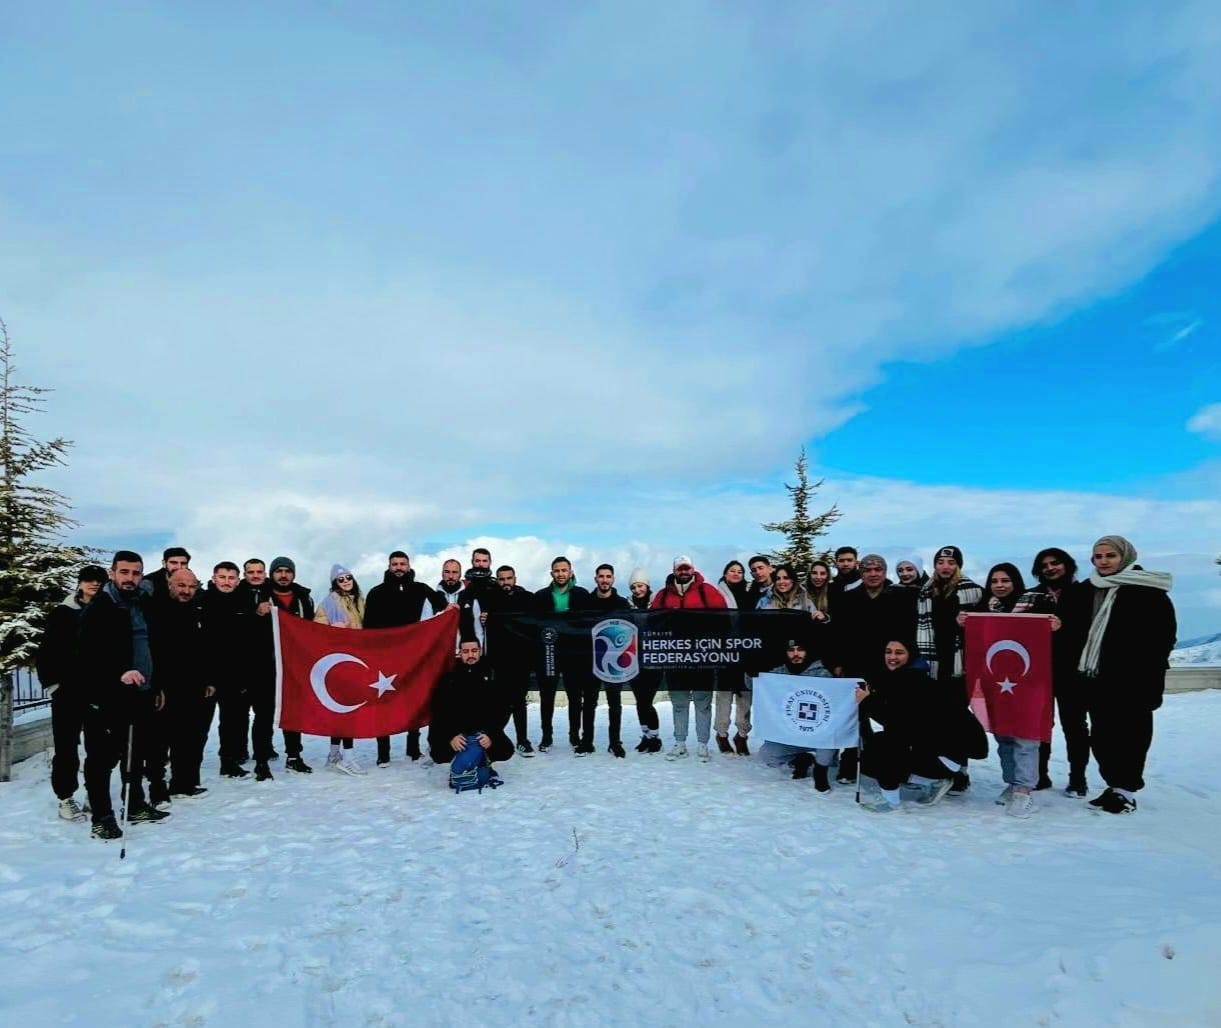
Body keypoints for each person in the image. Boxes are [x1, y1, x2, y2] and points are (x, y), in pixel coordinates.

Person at [1063, 536, 1175, 814]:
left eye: (1110, 556)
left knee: (1131, 735)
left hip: (1132, 681)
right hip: (1094, 679)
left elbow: (1163, 637)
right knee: (1102, 737)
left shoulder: (1148, 591)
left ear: (1125, 557)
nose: (1103, 561)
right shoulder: (1084, 590)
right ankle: (1114, 785)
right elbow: (1070, 629)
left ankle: (1126, 790)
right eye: (1098, 557)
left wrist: (1142, 669)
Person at [78, 551, 170, 840]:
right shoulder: (100, 608)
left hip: (140, 694)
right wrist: (119, 673)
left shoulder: (142, 604)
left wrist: (155, 686)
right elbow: (87, 655)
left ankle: (134, 805)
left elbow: (151, 647)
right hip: (106, 697)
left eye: (136, 573)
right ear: (112, 572)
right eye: (125, 572)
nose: (130, 578)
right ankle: (101, 816)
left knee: (135, 753)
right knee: (102, 758)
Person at [855, 639, 986, 813]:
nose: (892, 657)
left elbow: (900, 722)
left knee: (883, 746)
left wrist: (868, 701)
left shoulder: (913, 681)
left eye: (899, 652)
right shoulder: (902, 676)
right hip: (935, 750)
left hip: (945, 756)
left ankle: (891, 802)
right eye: (888, 651)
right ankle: (933, 781)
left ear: (911, 655)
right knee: (873, 753)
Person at [828, 554, 916, 784]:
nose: (873, 574)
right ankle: (852, 762)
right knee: (855, 717)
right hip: (855, 666)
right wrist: (837, 663)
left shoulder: (900, 596)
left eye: (878, 569)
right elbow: (837, 633)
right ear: (861, 572)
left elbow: (908, 633)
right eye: (868, 570)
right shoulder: (848, 599)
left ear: (885, 571)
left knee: (893, 717)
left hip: (890, 667)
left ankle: (897, 763)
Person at [34, 564, 110, 822]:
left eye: (100, 580)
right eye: (89, 580)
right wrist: (53, 684)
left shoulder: (108, 611)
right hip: (67, 692)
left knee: (99, 748)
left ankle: (94, 793)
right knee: (66, 748)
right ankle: (65, 797)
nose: (95, 585)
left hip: (98, 692)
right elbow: (46, 652)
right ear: (79, 582)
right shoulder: (62, 613)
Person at [1013, 548, 1089, 795]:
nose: (1050, 568)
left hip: (1072, 670)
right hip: (1037, 670)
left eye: (1055, 563)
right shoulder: (1031, 596)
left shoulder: (1083, 593)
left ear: (1067, 565)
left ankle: (1078, 778)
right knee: (1039, 725)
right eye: (1044, 565)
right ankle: (1040, 775)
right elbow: (1014, 626)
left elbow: (1091, 629)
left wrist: (1063, 627)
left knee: (1074, 725)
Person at [916, 545, 982, 794]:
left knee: (956, 719)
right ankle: (940, 767)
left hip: (959, 666)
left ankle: (961, 769)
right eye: (941, 562)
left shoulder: (972, 591)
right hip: (933, 663)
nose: (945, 567)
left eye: (951, 563)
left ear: (958, 566)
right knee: (935, 719)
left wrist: (964, 623)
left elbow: (985, 624)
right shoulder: (927, 591)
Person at [363, 551, 438, 766]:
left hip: (412, 656)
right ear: (389, 566)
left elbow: (441, 603)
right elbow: (368, 626)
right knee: (383, 701)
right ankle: (383, 752)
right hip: (384, 657)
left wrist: (451, 608)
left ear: (409, 566)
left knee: (413, 700)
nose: (399, 567)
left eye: (402, 564)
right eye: (395, 564)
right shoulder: (376, 592)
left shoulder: (420, 589)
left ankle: (413, 748)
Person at [652, 555, 727, 761]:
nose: (684, 572)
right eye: (680, 569)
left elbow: (724, 620)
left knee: (703, 701)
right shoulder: (663, 595)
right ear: (674, 570)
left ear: (693, 569)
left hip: (702, 657)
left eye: (687, 568)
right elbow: (652, 622)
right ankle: (680, 743)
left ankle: (703, 744)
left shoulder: (708, 591)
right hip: (675, 658)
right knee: (679, 702)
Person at [150, 568, 217, 797]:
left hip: (195, 686)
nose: (186, 591)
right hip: (166, 688)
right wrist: (156, 686)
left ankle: (183, 783)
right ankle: (157, 789)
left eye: (191, 586)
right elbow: (152, 652)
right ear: (170, 584)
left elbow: (205, 648)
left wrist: (208, 679)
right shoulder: (156, 610)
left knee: (190, 738)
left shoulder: (198, 610)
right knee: (160, 741)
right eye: (181, 585)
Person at [756, 637, 838, 791]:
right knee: (766, 755)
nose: (795, 654)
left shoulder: (823, 673)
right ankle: (800, 759)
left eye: (800, 650)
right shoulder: (779, 672)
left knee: (829, 742)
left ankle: (820, 772)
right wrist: (751, 675)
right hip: (791, 733)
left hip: (818, 733)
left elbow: (836, 702)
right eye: (791, 650)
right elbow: (756, 687)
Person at [203, 560, 259, 779]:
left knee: (232, 722)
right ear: (214, 577)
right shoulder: (202, 601)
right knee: (198, 726)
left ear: (238, 580)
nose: (226, 582)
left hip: (235, 674)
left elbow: (250, 641)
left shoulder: (245, 603)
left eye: (231, 578)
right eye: (222, 577)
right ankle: (186, 771)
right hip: (206, 674)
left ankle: (228, 761)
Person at [428, 637, 514, 778]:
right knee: (439, 754)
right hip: (458, 733)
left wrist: (490, 734)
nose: (470, 655)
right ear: (460, 653)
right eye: (466, 651)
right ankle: (462, 761)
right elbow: (439, 712)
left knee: (505, 750)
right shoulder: (449, 679)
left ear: (480, 652)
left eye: (474, 651)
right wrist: (451, 736)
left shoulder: (493, 676)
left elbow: (503, 709)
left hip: (482, 732)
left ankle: (482, 760)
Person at [532, 556, 593, 753]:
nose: (560, 574)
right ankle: (546, 735)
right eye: (557, 571)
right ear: (552, 573)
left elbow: (591, 621)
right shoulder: (540, 596)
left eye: (564, 570)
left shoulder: (583, 595)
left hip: (575, 654)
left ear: (570, 572)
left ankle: (574, 734)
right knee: (547, 695)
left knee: (575, 697)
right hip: (548, 653)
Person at [315, 563, 367, 774]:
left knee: (343, 710)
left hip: (357, 659)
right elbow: (313, 629)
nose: (345, 582)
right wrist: (329, 628)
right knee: (345, 709)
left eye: (348, 578)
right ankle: (348, 756)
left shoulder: (360, 601)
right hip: (338, 661)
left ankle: (334, 752)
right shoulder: (328, 603)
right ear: (334, 583)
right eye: (341, 579)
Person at [264, 557, 316, 771]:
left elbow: (312, 630)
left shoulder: (304, 597)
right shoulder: (261, 595)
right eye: (279, 571)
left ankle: (294, 754)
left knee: (293, 709)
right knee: (265, 710)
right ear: (272, 573)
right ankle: (263, 751)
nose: (283, 575)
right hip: (266, 661)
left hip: (295, 662)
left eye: (287, 571)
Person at [483, 565, 536, 756]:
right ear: (497, 580)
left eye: (509, 578)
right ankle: (496, 738)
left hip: (520, 660)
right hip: (498, 661)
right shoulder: (491, 599)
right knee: (499, 703)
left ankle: (523, 740)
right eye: (502, 579)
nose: (506, 582)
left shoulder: (527, 598)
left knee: (519, 702)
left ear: (515, 578)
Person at [586, 563, 630, 757]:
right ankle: (586, 741)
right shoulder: (586, 601)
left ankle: (615, 742)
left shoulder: (622, 603)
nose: (604, 580)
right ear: (596, 579)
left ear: (613, 579)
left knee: (615, 703)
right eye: (601, 576)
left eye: (608, 576)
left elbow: (630, 631)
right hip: (590, 659)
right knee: (589, 702)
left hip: (614, 661)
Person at [714, 560, 752, 756]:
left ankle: (742, 734)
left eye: (740, 571)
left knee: (745, 696)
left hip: (746, 650)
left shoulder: (750, 593)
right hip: (725, 651)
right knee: (724, 696)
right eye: (732, 571)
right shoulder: (717, 594)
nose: (736, 574)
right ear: (725, 573)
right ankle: (721, 733)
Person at [626, 569, 663, 752]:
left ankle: (655, 737)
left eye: (640, 586)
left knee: (646, 700)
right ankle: (646, 734)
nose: (637, 590)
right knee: (639, 700)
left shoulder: (657, 603)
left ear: (647, 585)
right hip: (634, 659)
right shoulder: (628, 606)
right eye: (633, 587)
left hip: (654, 659)